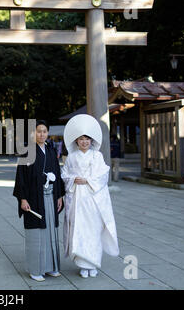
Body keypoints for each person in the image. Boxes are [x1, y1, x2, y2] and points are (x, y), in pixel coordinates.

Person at [61, 114, 119, 278]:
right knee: (79, 228)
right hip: (77, 197)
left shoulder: (97, 156)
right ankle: (82, 264)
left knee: (93, 229)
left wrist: (88, 180)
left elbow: (103, 174)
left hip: (93, 198)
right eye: (81, 139)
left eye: (87, 139)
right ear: (76, 141)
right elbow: (64, 175)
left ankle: (93, 263)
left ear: (91, 140)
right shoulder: (71, 157)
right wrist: (73, 179)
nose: (84, 142)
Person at [13, 120, 65, 282]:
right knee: (36, 233)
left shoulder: (50, 151)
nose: (42, 134)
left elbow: (57, 172)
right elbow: (20, 176)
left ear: (48, 133)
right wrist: (23, 199)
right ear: (33, 133)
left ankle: (50, 267)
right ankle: (36, 269)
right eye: (38, 131)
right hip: (34, 198)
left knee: (50, 232)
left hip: (50, 197)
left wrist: (60, 196)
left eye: (44, 131)